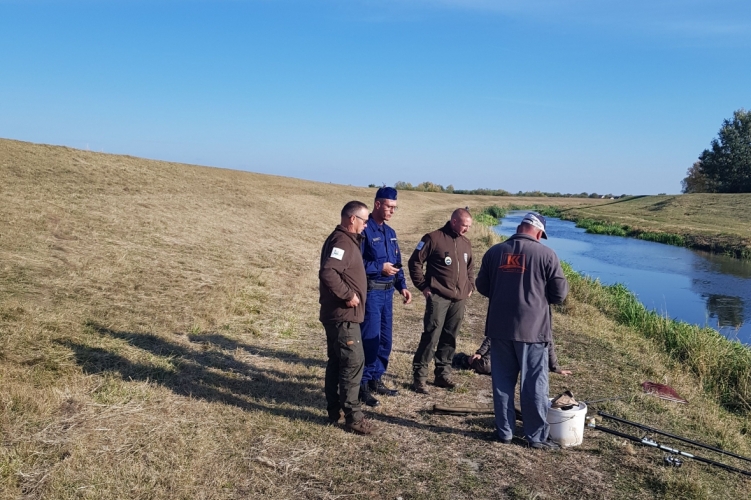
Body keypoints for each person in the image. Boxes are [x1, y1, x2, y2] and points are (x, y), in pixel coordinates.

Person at [475, 212, 569, 450]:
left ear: (520, 227)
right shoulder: (547, 254)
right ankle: (536, 437)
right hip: (533, 331)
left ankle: (505, 433)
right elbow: (559, 295)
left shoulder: (494, 252)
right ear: (538, 232)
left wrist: (504, 291)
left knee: (502, 383)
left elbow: (482, 286)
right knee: (534, 385)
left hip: (499, 328)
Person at [319, 200, 377, 435]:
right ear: (352, 219)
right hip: (343, 316)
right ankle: (353, 417)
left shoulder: (347, 240)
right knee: (353, 362)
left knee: (337, 361)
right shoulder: (342, 241)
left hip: (340, 315)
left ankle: (335, 411)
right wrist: (348, 295)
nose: (366, 225)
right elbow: (328, 272)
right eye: (365, 220)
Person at [408, 208, 474, 394]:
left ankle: (442, 374)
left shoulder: (466, 243)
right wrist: (423, 286)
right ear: (454, 221)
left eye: (469, 226)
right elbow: (415, 262)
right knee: (431, 335)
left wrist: (470, 286)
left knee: (450, 337)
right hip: (438, 296)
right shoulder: (433, 238)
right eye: (464, 225)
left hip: (459, 299)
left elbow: (470, 267)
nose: (467, 229)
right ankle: (420, 377)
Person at [358, 187, 413, 407]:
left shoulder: (390, 233)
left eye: (395, 208)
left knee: (385, 340)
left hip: (388, 292)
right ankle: (362, 385)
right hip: (372, 292)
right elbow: (356, 263)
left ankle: (376, 378)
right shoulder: (364, 230)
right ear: (378, 204)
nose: (392, 211)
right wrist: (379, 268)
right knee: (369, 339)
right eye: (389, 207)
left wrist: (403, 286)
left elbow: (397, 262)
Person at [453, 337, 572, 377]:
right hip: (504, 348)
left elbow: (549, 343)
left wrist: (555, 368)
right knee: (485, 366)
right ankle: (463, 359)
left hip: (524, 354)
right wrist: (480, 352)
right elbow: (493, 335)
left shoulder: (541, 318)